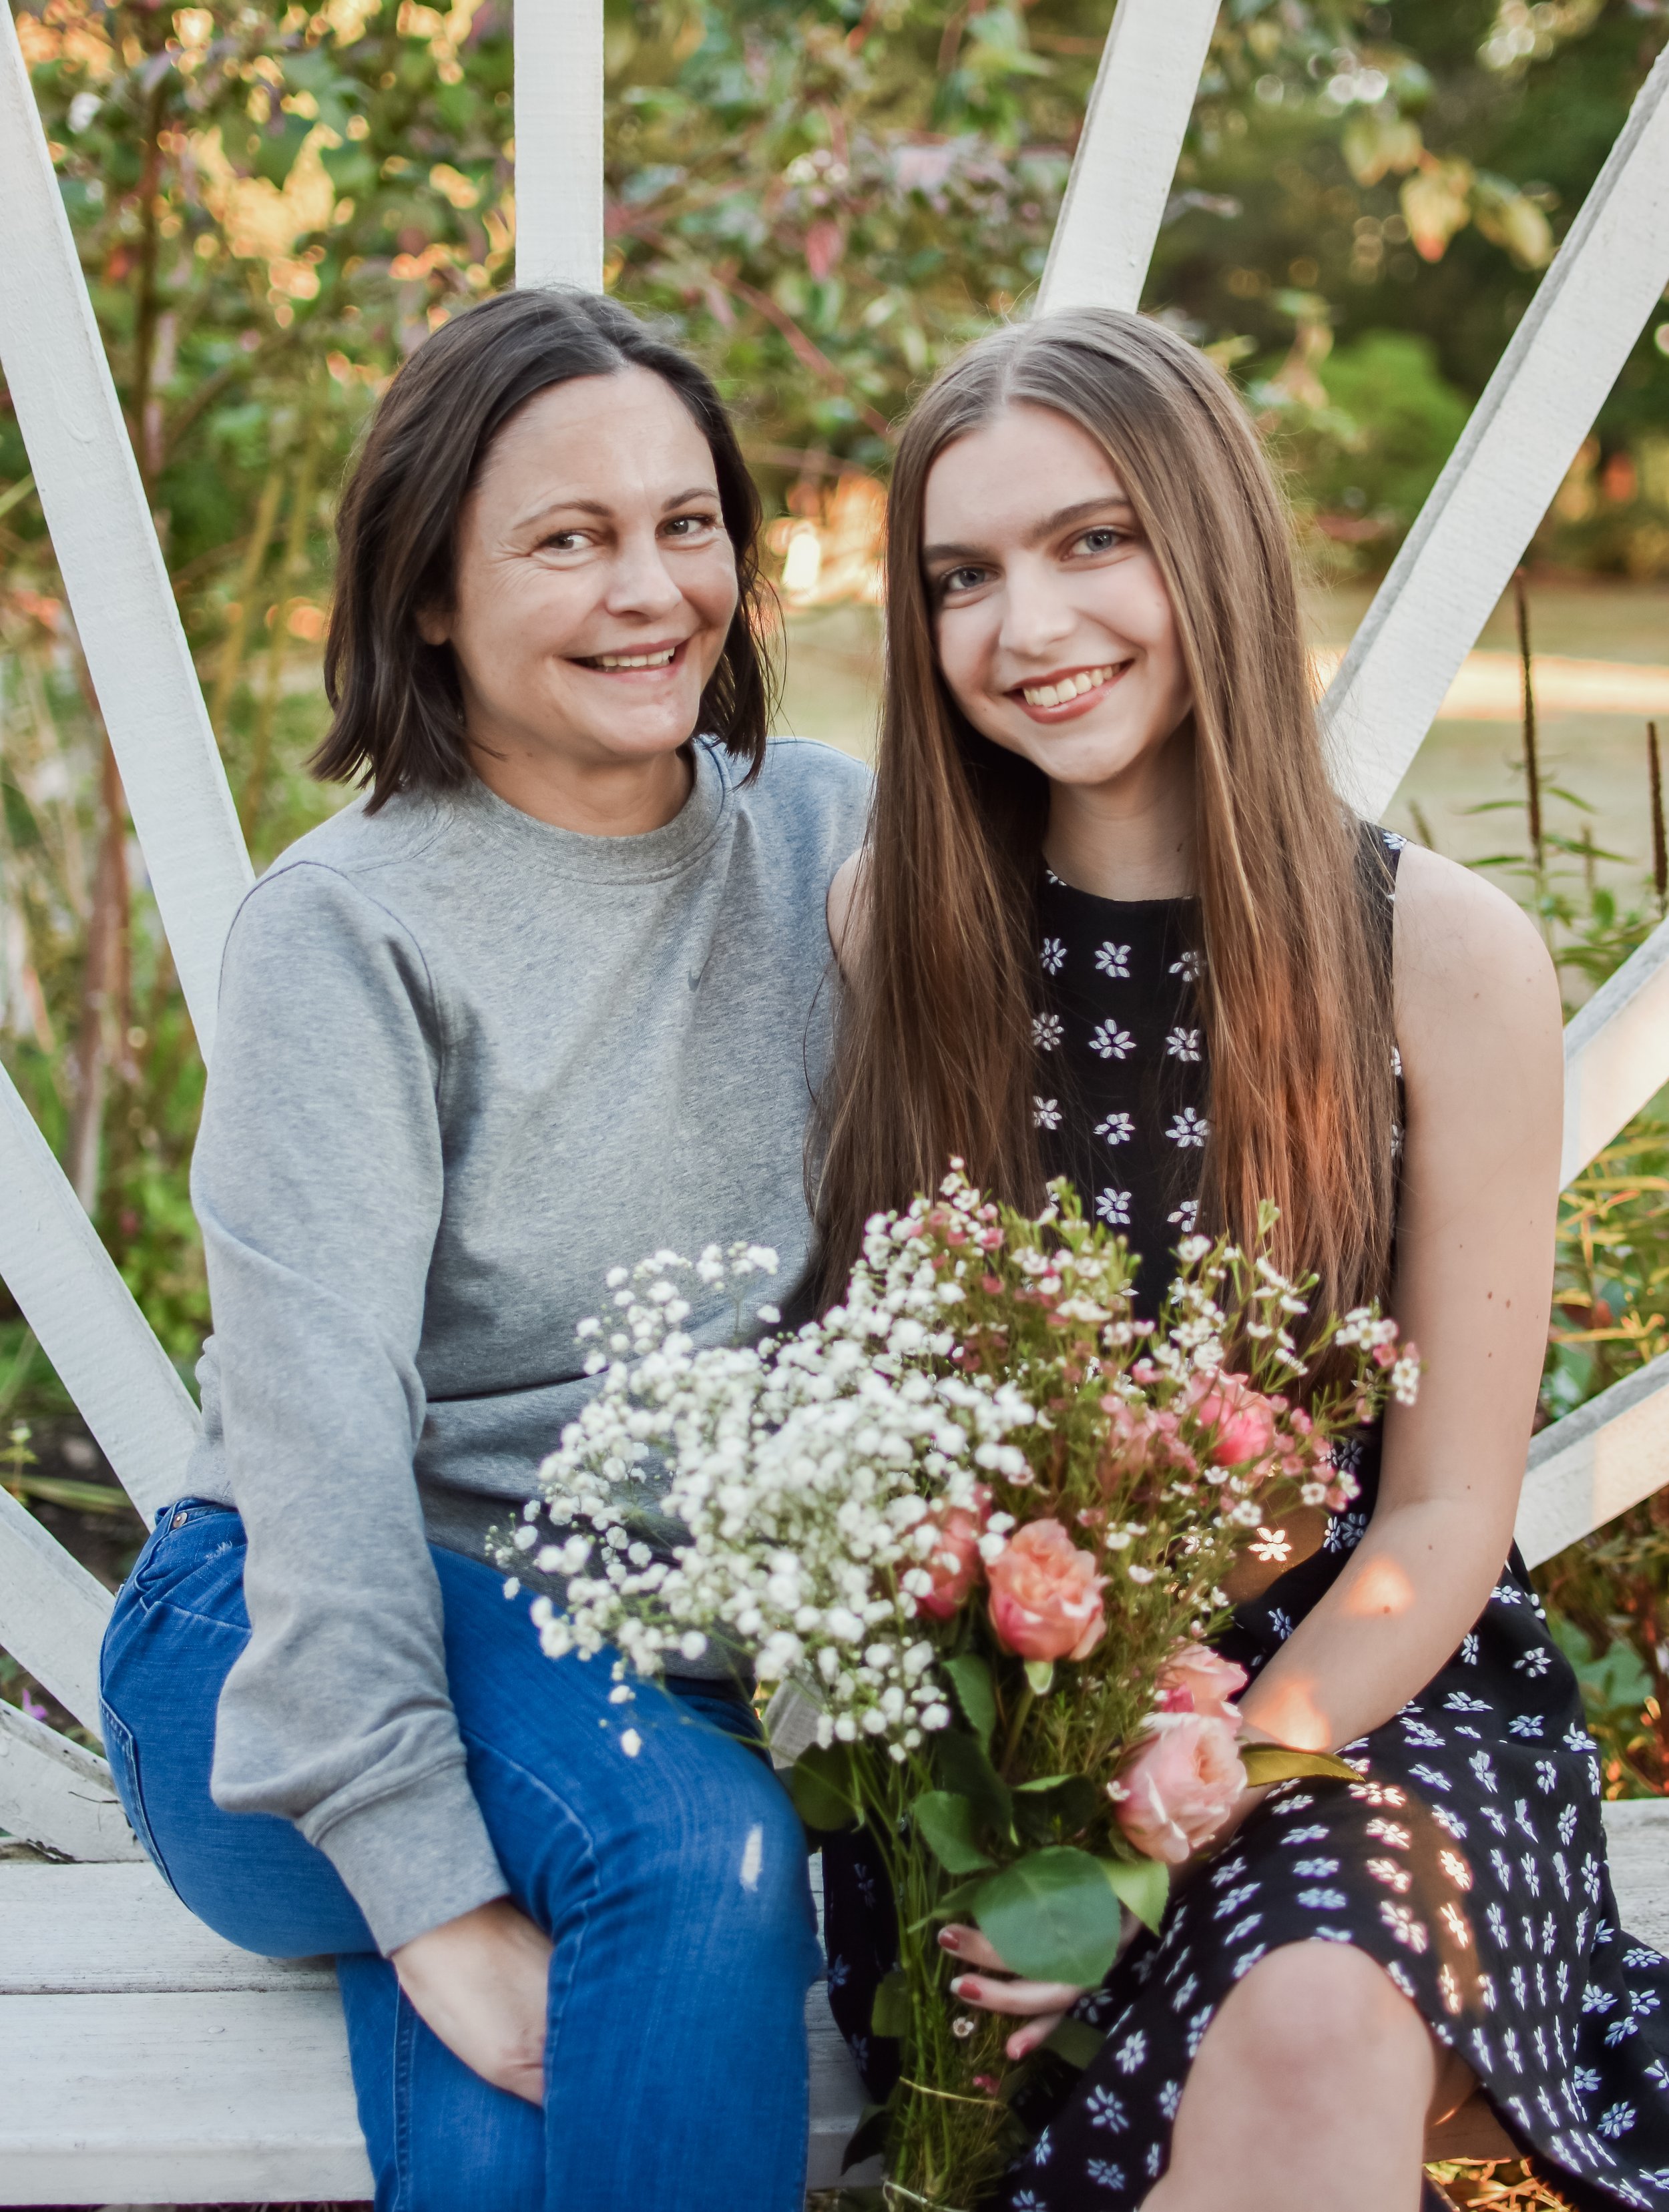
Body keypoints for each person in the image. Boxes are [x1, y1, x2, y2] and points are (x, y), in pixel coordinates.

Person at [815, 307, 1669, 2212]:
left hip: (1363, 1702)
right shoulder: (901, 926)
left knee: (1308, 2010)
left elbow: (1445, 1516)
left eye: (1091, 540)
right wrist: (1041, 1806)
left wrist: (1162, 1821)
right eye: (962, 575)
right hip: (1008, 1728)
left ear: (1210, 540)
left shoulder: (1436, 956)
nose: (1026, 627)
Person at [98, 286, 869, 2212]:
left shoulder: (827, 839)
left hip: (620, 1692)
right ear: (429, 594)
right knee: (695, 1855)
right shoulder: (351, 929)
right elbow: (321, 1428)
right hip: (280, 1648)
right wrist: (427, 1888)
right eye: (568, 538)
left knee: (605, 1953)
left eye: (686, 525)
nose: (650, 588)